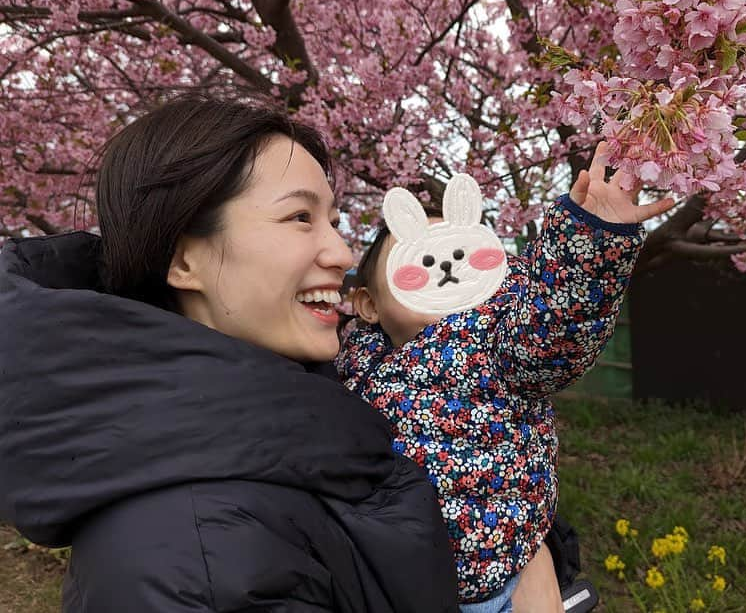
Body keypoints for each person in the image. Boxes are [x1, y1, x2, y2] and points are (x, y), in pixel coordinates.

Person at [0, 94, 460, 612]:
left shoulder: (290, 435)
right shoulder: (196, 555)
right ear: (183, 261)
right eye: (299, 217)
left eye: (333, 219)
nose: (341, 253)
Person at [336, 143, 674, 612]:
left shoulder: (498, 340)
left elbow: (557, 324)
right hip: (391, 577)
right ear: (369, 305)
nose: (446, 267)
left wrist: (592, 237)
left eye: (457, 252)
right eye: (422, 260)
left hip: (489, 581)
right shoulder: (353, 357)